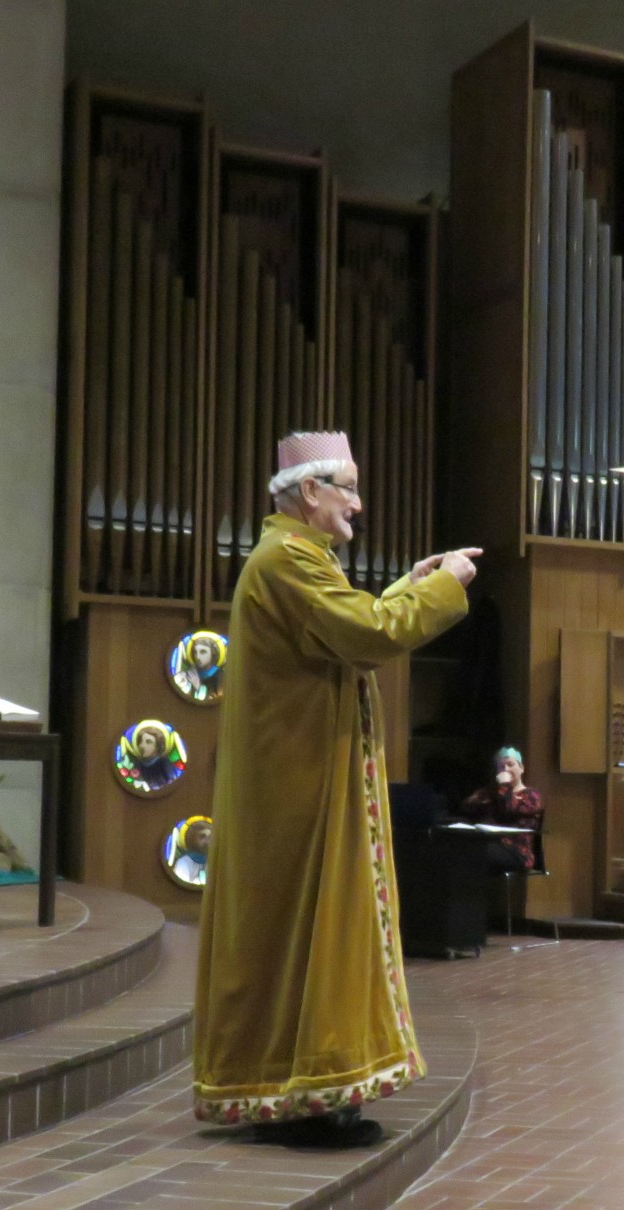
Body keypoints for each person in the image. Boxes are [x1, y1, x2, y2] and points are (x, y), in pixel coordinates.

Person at [192, 430, 481, 1148]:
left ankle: (299, 1092)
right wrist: (443, 588)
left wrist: (406, 589)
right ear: (310, 491)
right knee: (308, 933)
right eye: (347, 487)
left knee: (298, 936)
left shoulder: (296, 558)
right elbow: (366, 634)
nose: (359, 501)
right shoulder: (288, 558)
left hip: (301, 782)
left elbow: (344, 628)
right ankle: (306, 1097)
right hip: (299, 791)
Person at [460, 745, 544, 872]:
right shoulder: (490, 793)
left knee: (477, 854)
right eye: (501, 767)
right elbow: (466, 807)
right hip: (490, 844)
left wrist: (504, 785)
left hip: (517, 852)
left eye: (510, 764)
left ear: (521, 768)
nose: (505, 770)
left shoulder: (531, 795)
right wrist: (482, 801)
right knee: (459, 849)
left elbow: (509, 809)